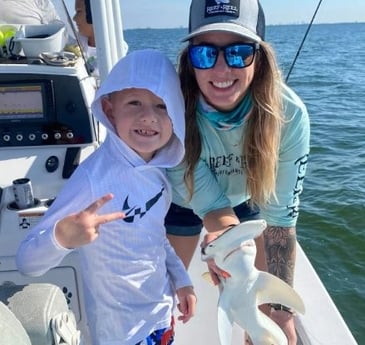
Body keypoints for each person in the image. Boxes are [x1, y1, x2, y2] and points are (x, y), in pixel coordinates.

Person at [16, 49, 196, 345]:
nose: (148, 116)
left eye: (162, 106)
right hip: (120, 335)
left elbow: (156, 236)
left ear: (176, 115)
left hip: (161, 318)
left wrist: (182, 280)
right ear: (110, 109)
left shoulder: (158, 169)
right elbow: (26, 262)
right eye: (134, 102)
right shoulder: (93, 178)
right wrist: (62, 237)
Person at [165, 0, 310, 344]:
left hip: (246, 198)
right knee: (163, 293)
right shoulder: (172, 111)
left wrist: (280, 311)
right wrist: (226, 244)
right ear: (189, 61)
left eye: (238, 53)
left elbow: (280, 222)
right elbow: (211, 206)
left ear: (259, 58)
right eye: (205, 54)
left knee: (260, 312)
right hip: (185, 199)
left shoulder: (289, 117)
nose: (220, 70)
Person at [71, 0, 128, 76]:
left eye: (79, 12)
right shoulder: (73, 42)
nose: (74, 18)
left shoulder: (117, 51)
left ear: (94, 15)